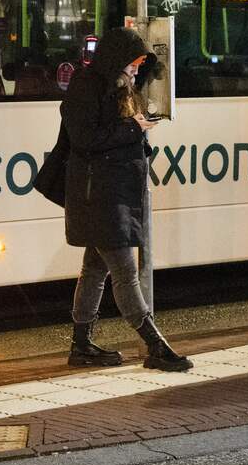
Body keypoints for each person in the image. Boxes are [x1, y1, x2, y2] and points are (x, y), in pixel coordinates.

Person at [61, 27, 192, 371]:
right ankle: (155, 346)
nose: (135, 71)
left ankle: (81, 346)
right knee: (124, 271)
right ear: (116, 60)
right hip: (100, 195)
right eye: (132, 64)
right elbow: (85, 137)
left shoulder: (117, 87)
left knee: (94, 268)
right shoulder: (86, 86)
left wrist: (138, 130)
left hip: (111, 191)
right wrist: (134, 128)